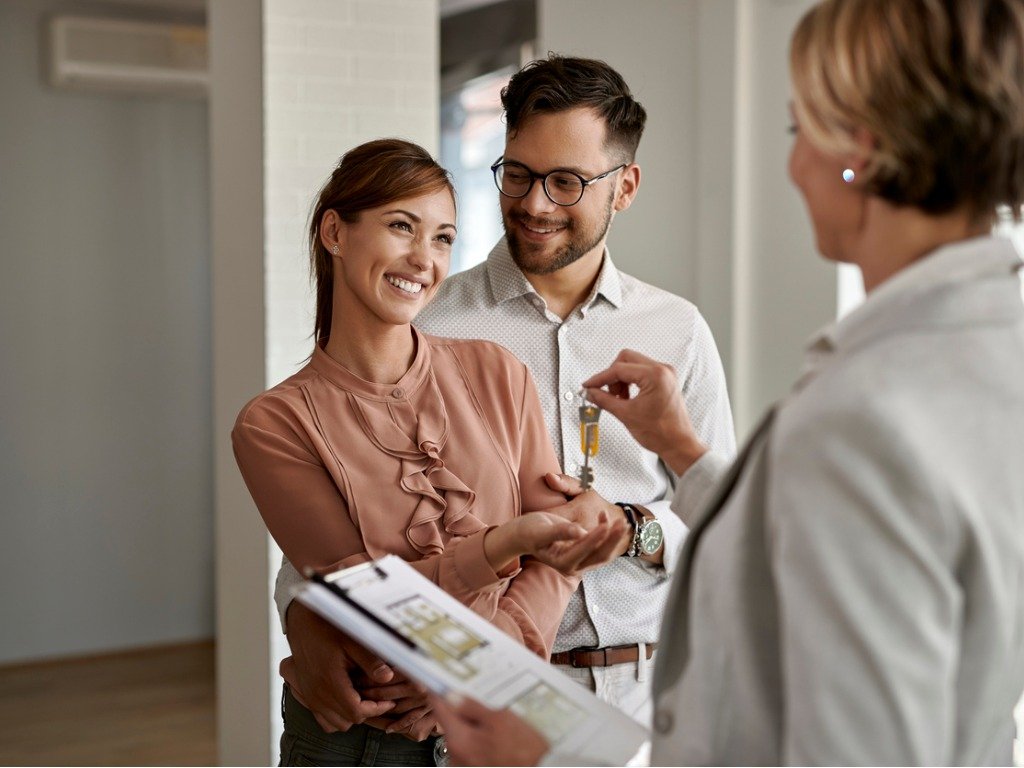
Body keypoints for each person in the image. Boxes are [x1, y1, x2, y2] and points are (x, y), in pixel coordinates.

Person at [431, 0, 1024, 764]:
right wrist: (682, 446)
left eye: (798, 128)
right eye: (519, 175)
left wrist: (541, 757)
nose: (794, 164)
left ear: (864, 149)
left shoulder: (865, 409)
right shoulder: (981, 352)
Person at [274, 54, 737, 733]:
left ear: (626, 186)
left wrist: (631, 528)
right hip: (467, 695)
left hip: (644, 693)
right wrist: (299, 616)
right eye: (517, 174)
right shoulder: (427, 321)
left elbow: (719, 525)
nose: (534, 204)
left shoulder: (678, 331)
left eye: (566, 182)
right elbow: (328, 524)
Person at [232, 139, 624, 766]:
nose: (424, 258)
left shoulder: (498, 373)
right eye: (400, 227)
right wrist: (502, 545)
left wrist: (483, 670)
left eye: (443, 238)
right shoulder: (275, 425)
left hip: (496, 724)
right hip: (361, 749)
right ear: (336, 232)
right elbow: (371, 609)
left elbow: (559, 557)